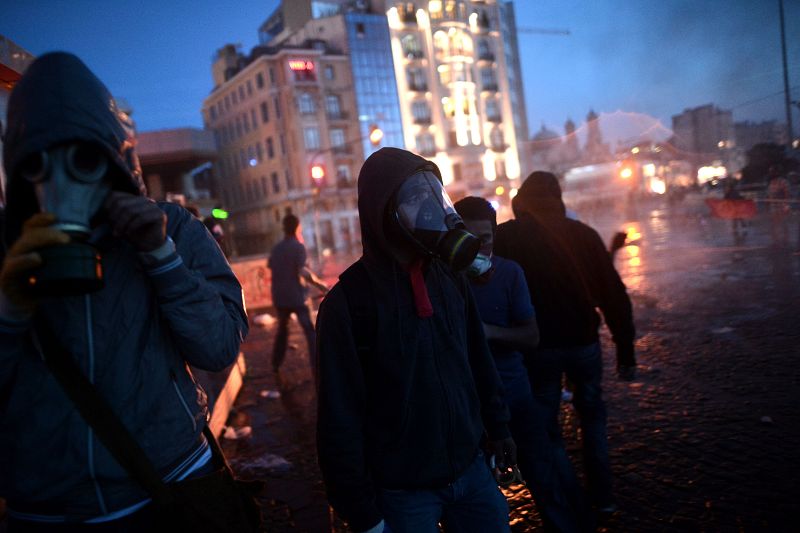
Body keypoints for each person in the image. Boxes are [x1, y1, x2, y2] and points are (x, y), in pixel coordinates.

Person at [0, 53, 249, 530]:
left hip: (171, 488)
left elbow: (219, 347)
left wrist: (161, 257)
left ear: (112, 157)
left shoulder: (171, 227)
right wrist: (9, 311)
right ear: (18, 165)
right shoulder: (4, 249)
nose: (62, 182)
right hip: (48, 510)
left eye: (83, 159)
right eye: (40, 163)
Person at [316, 148, 516, 533]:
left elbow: (477, 359)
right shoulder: (348, 304)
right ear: (382, 213)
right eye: (413, 197)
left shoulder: (449, 277)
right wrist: (361, 510)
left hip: (471, 470)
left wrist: (500, 426)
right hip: (402, 492)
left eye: (433, 193)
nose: (429, 207)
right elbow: (338, 416)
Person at [494, 171, 636, 517]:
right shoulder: (584, 235)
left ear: (520, 203)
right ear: (558, 199)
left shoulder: (508, 238)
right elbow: (614, 295)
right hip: (584, 343)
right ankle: (603, 498)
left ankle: (569, 501)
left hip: (538, 350)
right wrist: (625, 350)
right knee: (593, 419)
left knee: (547, 429)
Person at [454, 196, 592, 532]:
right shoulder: (447, 282)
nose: (477, 249)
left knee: (543, 473)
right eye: (468, 242)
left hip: (515, 394)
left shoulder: (510, 274)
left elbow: (531, 337)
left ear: (494, 236)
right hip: (468, 407)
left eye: (484, 240)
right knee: (474, 496)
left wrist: (488, 332)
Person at [268, 213, 327, 375]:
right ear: (297, 228)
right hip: (297, 297)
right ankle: (317, 366)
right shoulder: (298, 247)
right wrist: (321, 285)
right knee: (309, 331)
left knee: (282, 330)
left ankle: (275, 363)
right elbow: (303, 271)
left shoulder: (276, 248)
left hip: (280, 297)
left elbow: (272, 268)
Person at [766, 165, 790, 247]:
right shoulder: (771, 183)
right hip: (773, 207)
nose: (771, 173)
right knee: (774, 224)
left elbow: (787, 194)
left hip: (781, 206)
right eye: (770, 172)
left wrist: (786, 205)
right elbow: (769, 195)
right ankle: (775, 241)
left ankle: (785, 240)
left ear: (776, 172)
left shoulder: (783, 182)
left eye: (772, 171)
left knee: (783, 223)